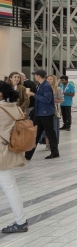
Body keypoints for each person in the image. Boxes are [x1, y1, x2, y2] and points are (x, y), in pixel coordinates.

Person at [0, 81, 29, 234]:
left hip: (1, 154)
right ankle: (21, 220)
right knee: (10, 187)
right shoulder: (15, 107)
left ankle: (20, 221)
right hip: (10, 151)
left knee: (10, 188)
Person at [26, 69, 59, 160]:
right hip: (40, 112)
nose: (34, 76)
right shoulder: (40, 85)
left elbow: (47, 99)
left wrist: (34, 95)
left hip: (46, 113)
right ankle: (28, 155)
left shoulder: (46, 86)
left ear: (39, 76)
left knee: (50, 132)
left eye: (35, 75)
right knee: (36, 133)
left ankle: (55, 152)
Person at [40, 75, 63, 151]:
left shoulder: (58, 89)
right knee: (46, 127)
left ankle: (53, 143)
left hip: (54, 111)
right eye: (48, 79)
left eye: (50, 79)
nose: (49, 80)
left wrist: (51, 99)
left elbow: (61, 100)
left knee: (53, 128)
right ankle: (47, 144)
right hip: (44, 110)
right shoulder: (43, 88)